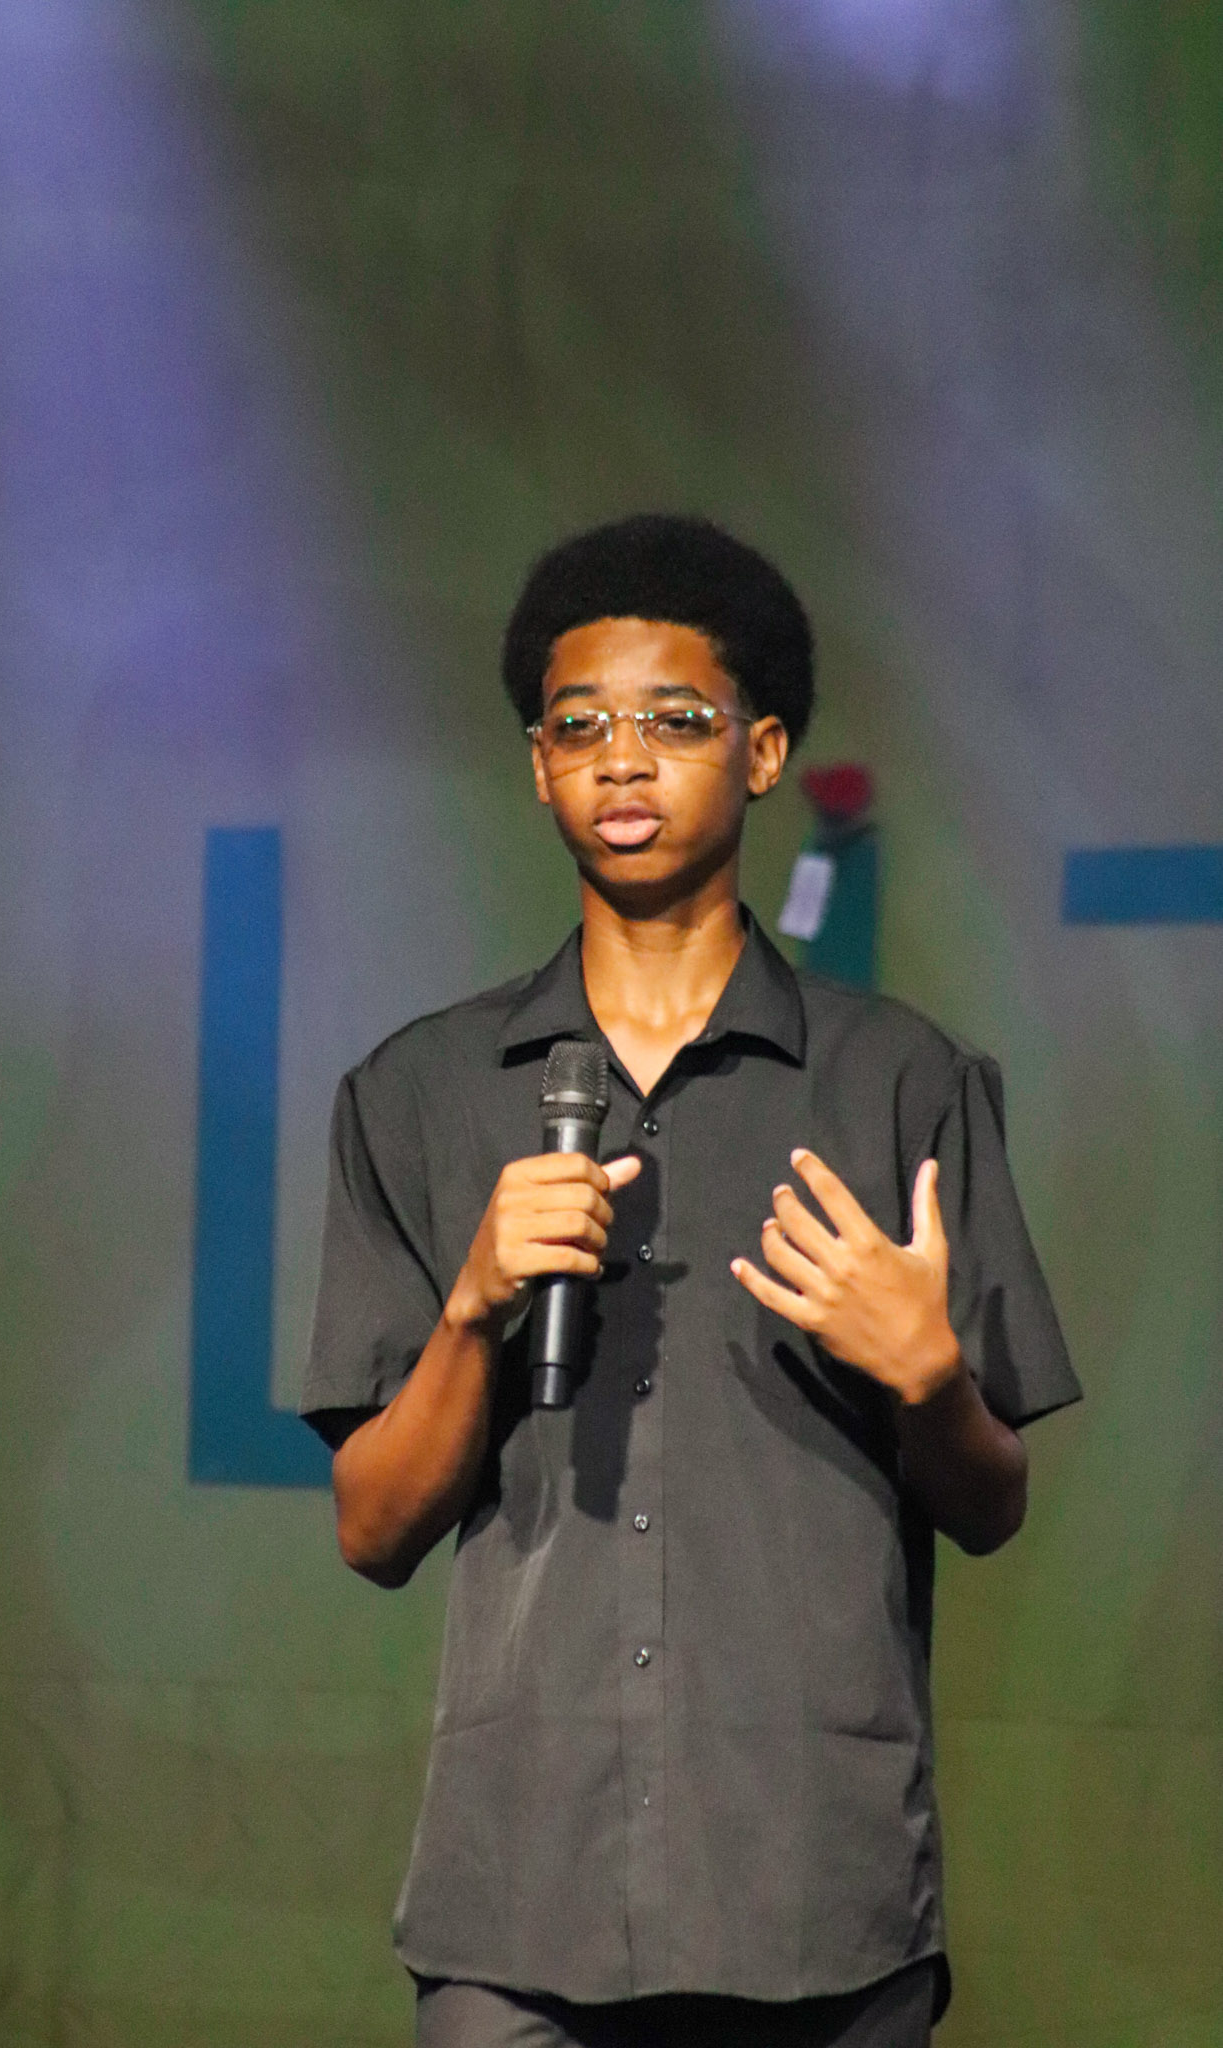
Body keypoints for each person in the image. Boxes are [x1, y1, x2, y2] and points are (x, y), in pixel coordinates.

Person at [301, 514, 1080, 2048]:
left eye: (672, 722)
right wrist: (469, 1309)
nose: (622, 762)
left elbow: (990, 1504)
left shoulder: (898, 1083)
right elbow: (373, 1527)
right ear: (536, 769)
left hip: (813, 1892)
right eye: (578, 728)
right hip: (520, 1899)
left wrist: (927, 1376)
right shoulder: (418, 1093)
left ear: (762, 750)